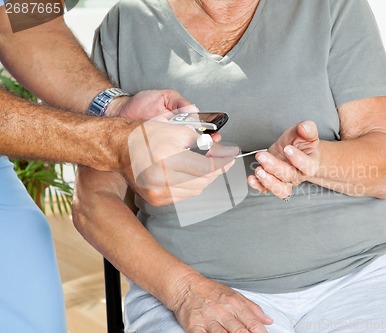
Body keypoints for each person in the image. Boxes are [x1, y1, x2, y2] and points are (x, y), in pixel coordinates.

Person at [74, 0, 386, 332]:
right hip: (198, 286)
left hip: (362, 275)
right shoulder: (125, 26)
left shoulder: (332, 7)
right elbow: (94, 204)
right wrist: (185, 291)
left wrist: (313, 162)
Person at [0, 3, 233, 332]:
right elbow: (95, 201)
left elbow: (21, 17)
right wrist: (117, 144)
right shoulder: (128, 25)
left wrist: (113, 105)